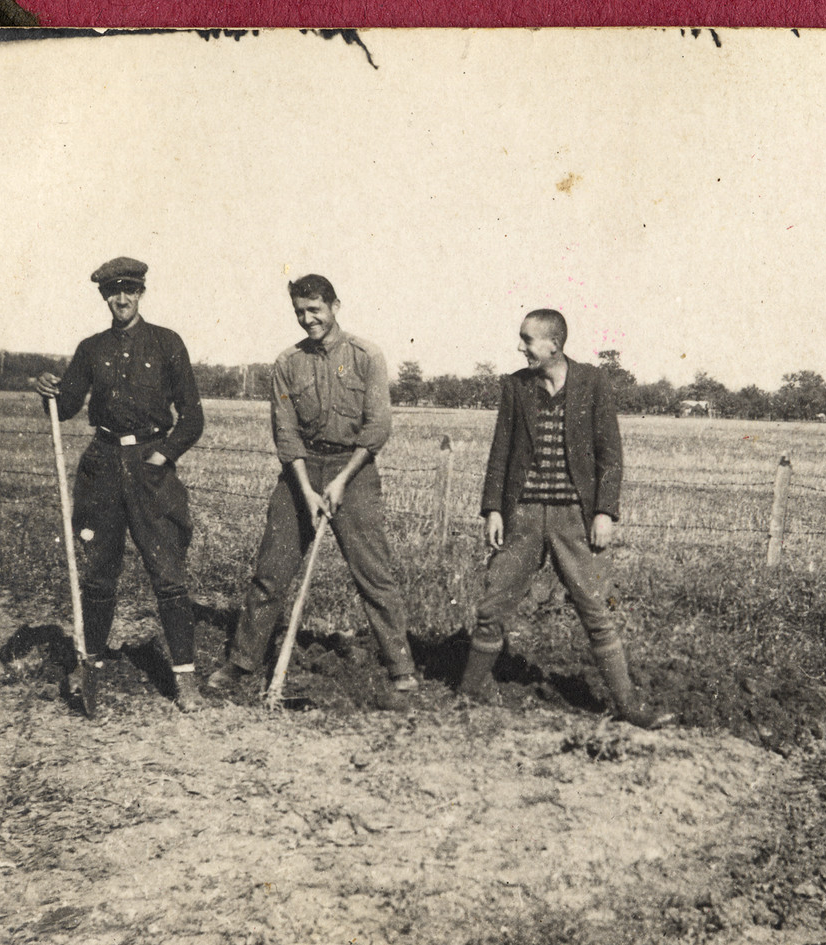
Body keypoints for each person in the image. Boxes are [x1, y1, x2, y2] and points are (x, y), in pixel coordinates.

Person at [459, 308, 671, 729]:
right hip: (522, 516)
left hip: (574, 519)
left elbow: (610, 453)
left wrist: (605, 512)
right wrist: (494, 509)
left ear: (554, 344)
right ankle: (468, 695)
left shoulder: (592, 383)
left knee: (595, 610)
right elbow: (500, 451)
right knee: (492, 605)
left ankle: (627, 706)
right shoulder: (515, 387)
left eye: (528, 339)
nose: (520, 347)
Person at [207, 275, 418, 696]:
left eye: (315, 310)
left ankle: (400, 666)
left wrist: (340, 481)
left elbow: (378, 427)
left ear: (335, 305)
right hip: (301, 472)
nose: (308, 320)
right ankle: (243, 661)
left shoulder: (366, 356)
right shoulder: (287, 363)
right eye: (300, 312)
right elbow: (285, 432)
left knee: (373, 575)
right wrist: (304, 490)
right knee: (271, 572)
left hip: (353, 471)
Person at [33, 256, 205, 712]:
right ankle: (89, 662)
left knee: (167, 575)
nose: (121, 298)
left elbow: (192, 419)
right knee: (98, 574)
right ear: (104, 297)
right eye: (113, 292)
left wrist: (161, 456)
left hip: (150, 468)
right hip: (103, 467)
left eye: (129, 289)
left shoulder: (167, 343)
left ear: (142, 291)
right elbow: (66, 406)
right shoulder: (91, 348)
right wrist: (49, 391)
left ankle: (185, 678)